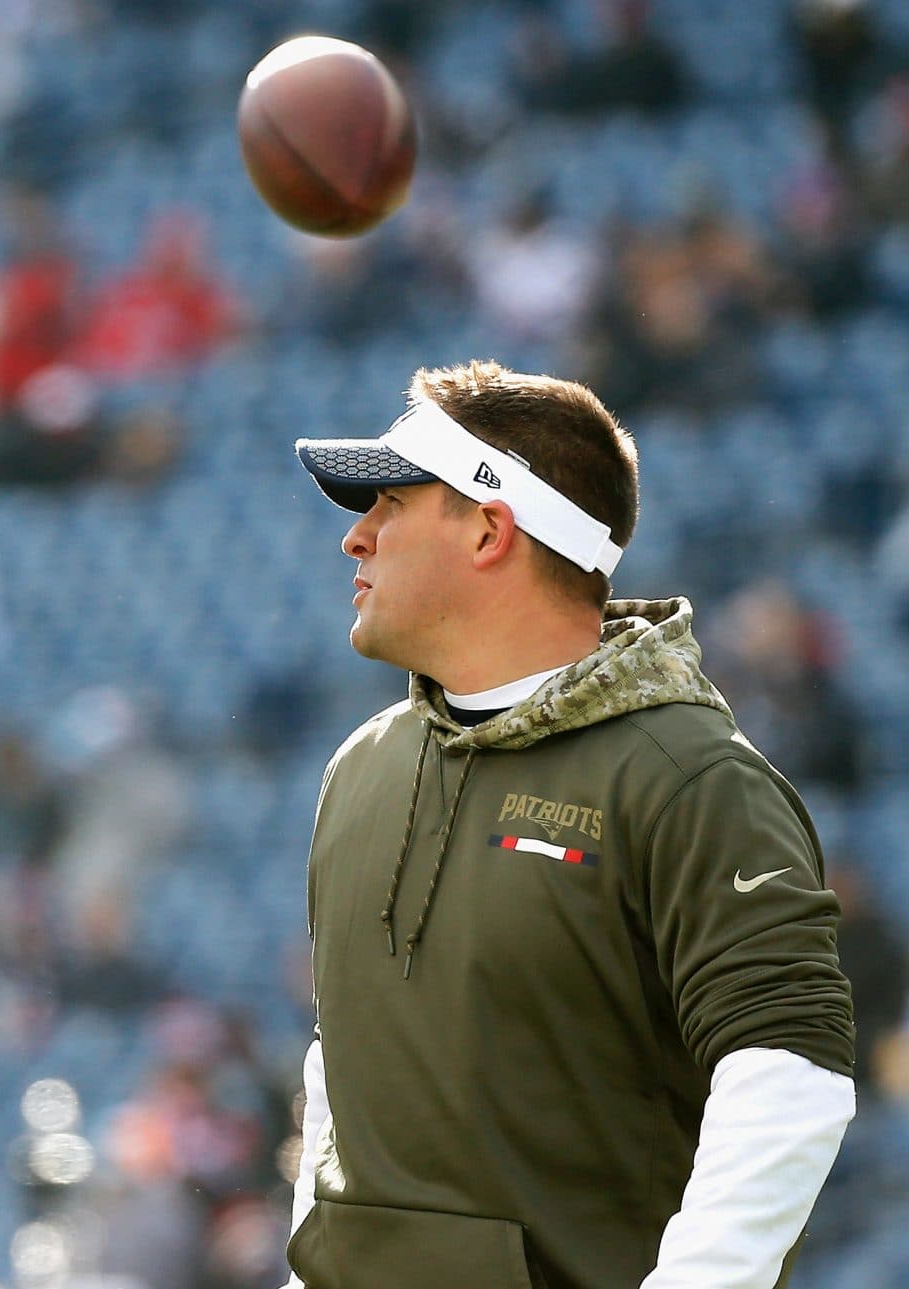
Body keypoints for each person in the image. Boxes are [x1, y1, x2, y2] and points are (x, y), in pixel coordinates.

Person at [282, 360, 855, 1288]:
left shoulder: (692, 780)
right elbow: (336, 1068)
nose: (356, 537)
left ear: (488, 528)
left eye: (390, 503)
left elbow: (789, 1075)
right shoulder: (361, 768)